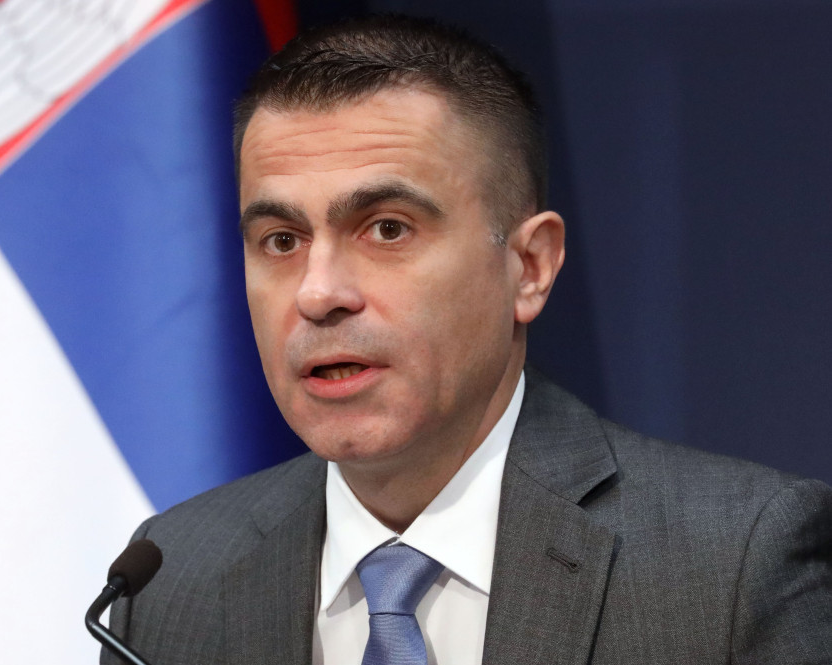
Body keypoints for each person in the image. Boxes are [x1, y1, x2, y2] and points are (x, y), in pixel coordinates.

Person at [103, 14, 832, 665]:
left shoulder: (733, 565)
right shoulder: (169, 580)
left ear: (529, 266)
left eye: (387, 228)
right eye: (281, 239)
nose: (318, 293)